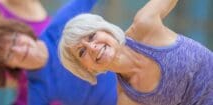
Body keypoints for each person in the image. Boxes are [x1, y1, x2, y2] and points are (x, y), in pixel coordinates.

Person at [59, 0, 213, 104]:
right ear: (86, 68)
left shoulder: (144, 24)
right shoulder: (127, 99)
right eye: (82, 52)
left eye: (92, 36)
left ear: (106, 30)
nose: (92, 47)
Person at [0, 0, 118, 105]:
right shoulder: (37, 89)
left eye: (15, 40)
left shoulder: (60, 25)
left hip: (131, 78)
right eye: (8, 54)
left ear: (22, 30)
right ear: (8, 66)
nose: (18, 50)